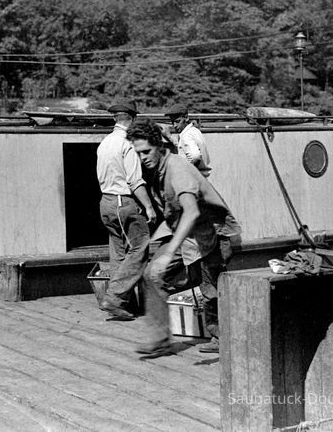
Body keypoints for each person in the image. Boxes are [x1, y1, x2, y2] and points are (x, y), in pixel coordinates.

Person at [127, 119, 241, 356]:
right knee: (151, 274)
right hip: (189, 234)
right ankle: (161, 339)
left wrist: (168, 253)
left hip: (213, 233)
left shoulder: (177, 168)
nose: (143, 158)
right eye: (138, 153)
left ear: (159, 146)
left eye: (146, 151)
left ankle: (223, 338)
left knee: (211, 290)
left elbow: (192, 211)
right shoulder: (157, 170)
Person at [96, 99, 156, 320]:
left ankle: (123, 304)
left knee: (119, 252)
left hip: (106, 202)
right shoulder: (127, 143)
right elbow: (135, 181)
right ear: (132, 119)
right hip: (123, 202)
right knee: (140, 247)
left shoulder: (104, 142)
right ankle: (114, 298)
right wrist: (149, 207)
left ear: (115, 118)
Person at [164, 103, 211, 178]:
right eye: (172, 122)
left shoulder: (186, 135)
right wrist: (169, 137)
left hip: (193, 179)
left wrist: (184, 170)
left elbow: (195, 156)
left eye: (177, 121)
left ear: (186, 118)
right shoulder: (194, 131)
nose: (175, 125)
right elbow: (184, 147)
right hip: (201, 178)